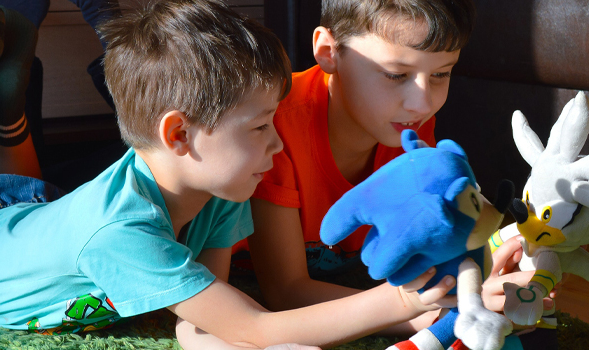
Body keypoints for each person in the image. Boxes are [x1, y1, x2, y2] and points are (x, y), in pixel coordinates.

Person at [0, 2, 455, 349]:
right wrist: (402, 303)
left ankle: (9, 117)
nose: (277, 145)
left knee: (35, 206)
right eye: (260, 127)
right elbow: (254, 325)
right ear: (179, 135)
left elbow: (210, 318)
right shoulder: (123, 238)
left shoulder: (224, 185)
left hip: (37, 210)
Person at [227, 0, 556, 345]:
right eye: (396, 75)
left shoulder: (408, 126)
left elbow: (438, 235)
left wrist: (485, 265)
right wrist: (434, 309)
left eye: (441, 74)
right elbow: (286, 291)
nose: (423, 103)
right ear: (328, 52)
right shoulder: (273, 127)